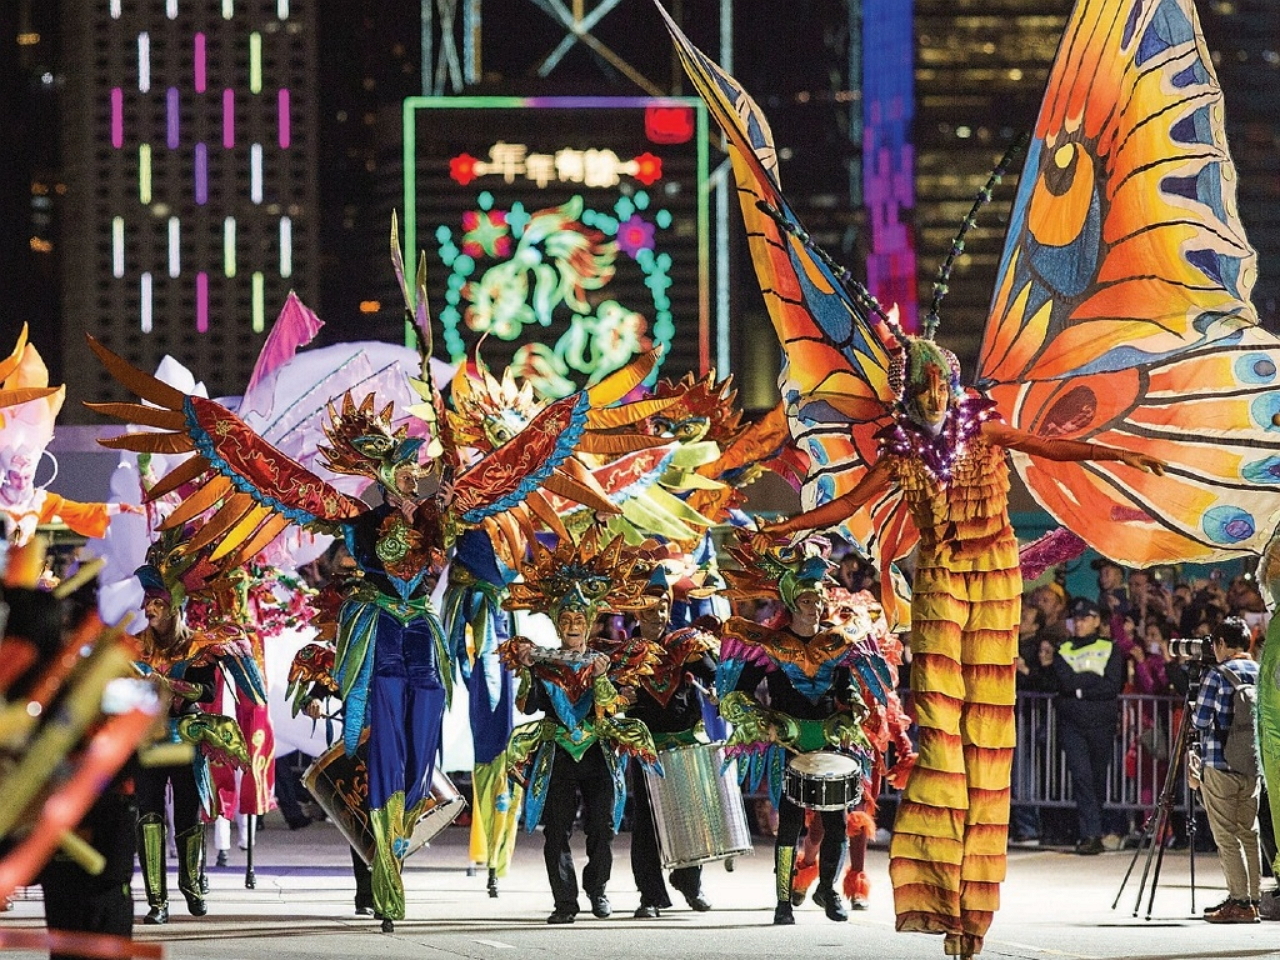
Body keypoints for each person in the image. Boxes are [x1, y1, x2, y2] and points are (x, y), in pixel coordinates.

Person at [760, 337, 1163, 956]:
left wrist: (1116, 453)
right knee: (942, 729)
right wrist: (787, 526)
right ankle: (940, 893)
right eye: (924, 390)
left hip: (995, 573)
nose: (936, 399)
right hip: (941, 576)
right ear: (910, 394)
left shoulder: (986, 430)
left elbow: (1051, 448)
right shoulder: (900, 453)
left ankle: (971, 912)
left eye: (942, 387)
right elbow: (846, 504)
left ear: (951, 385)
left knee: (988, 731)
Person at [717, 536, 913, 927]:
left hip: (828, 740)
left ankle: (828, 890)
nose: (816, 605)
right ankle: (783, 901)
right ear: (793, 604)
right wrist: (763, 720)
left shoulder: (836, 641)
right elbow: (736, 695)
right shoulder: (771, 644)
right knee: (790, 824)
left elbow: (847, 686)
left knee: (837, 822)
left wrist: (854, 705)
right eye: (808, 599)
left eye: (819, 599)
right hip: (789, 743)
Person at [499, 530, 660, 925]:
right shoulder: (544, 663)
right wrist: (528, 672)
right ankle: (565, 902)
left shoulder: (607, 660)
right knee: (555, 831)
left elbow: (614, 706)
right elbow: (528, 707)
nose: (573, 624)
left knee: (603, 829)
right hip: (557, 753)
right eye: (566, 619)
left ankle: (597, 889)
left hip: (597, 753)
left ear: (589, 624)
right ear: (558, 625)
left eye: (579, 619)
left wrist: (602, 678)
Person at [610, 565, 718, 917]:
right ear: (636, 613)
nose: (657, 616)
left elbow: (714, 673)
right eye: (649, 610)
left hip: (684, 740)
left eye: (662, 608)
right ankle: (650, 896)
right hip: (646, 745)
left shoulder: (684, 643)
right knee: (646, 821)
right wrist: (619, 695)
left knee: (689, 816)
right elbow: (606, 695)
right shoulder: (623, 653)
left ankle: (690, 884)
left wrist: (718, 689)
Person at [1191, 616, 1263, 923]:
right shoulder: (1260, 672)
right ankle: (1253, 899)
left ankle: (1239, 901)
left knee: (1226, 835)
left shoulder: (1217, 675)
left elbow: (1200, 721)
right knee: (1249, 832)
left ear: (1221, 643)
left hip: (1220, 764)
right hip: (1252, 764)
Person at [1043, 597, 1124, 855]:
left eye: (1085, 619)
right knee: (1082, 776)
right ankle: (1090, 833)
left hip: (1101, 720)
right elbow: (1065, 681)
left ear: (1097, 621)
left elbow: (1111, 685)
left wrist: (1079, 689)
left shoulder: (1110, 648)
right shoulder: (1064, 648)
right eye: (1076, 619)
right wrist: (1089, 682)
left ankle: (1095, 829)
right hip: (1073, 722)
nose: (1079, 624)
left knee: (1097, 777)